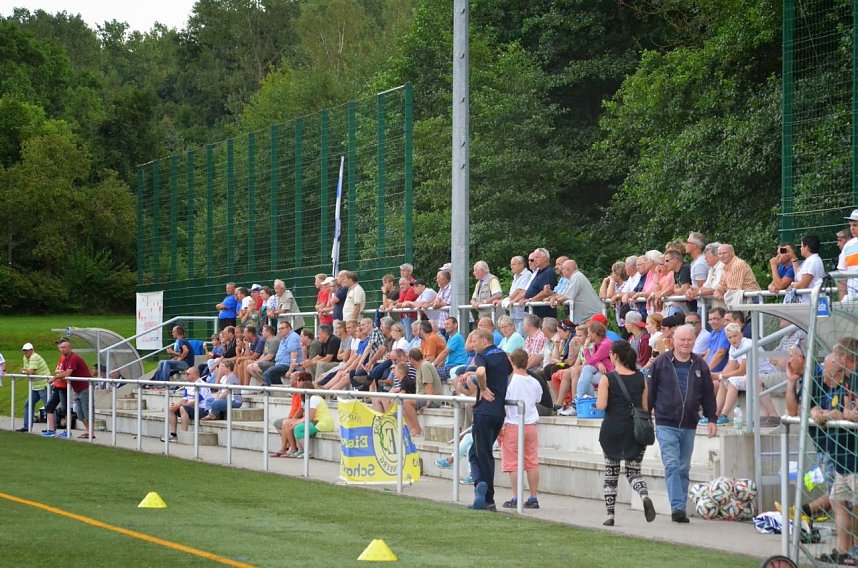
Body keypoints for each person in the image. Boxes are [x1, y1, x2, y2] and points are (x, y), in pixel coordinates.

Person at [649, 325, 717, 523]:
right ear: (674, 341)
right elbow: (651, 391)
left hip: (689, 423)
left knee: (683, 467)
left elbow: (708, 395)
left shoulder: (700, 365)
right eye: (682, 340)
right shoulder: (661, 362)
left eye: (689, 340)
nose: (686, 343)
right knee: (671, 464)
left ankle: (679, 505)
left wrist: (712, 418)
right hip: (665, 422)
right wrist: (645, 415)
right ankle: (677, 507)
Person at [596, 340, 655, 526]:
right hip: (636, 431)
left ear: (614, 355)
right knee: (634, 472)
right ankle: (644, 495)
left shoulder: (608, 378)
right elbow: (645, 406)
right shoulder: (641, 378)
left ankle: (610, 515)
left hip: (612, 428)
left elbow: (602, 406)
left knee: (611, 473)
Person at [467, 329, 513, 511]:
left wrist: (484, 388)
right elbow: (509, 373)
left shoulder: (482, 356)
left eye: (475, 342)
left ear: (485, 341)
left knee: (481, 454)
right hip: (498, 413)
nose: (472, 346)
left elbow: (479, 373)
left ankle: (486, 494)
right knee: (479, 452)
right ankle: (483, 489)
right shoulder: (502, 355)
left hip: (484, 412)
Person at [709, 323, 780, 427]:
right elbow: (732, 368)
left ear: (741, 335)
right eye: (730, 337)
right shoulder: (733, 348)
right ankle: (715, 414)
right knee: (725, 381)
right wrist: (716, 376)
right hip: (753, 375)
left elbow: (741, 371)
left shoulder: (747, 344)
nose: (733, 339)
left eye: (735, 336)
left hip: (767, 373)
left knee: (733, 381)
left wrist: (718, 376)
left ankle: (724, 415)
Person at [500, 348, 543, 510]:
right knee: (531, 462)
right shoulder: (534, 381)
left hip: (513, 423)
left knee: (513, 463)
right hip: (530, 424)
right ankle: (533, 497)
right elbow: (538, 398)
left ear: (512, 362)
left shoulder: (510, 381)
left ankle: (517, 496)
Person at [281, 376, 334, 458]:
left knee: (298, 428)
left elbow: (310, 417)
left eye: (302, 389)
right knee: (294, 425)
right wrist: (295, 421)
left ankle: (306, 451)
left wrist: (296, 422)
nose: (300, 391)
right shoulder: (307, 399)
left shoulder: (313, 398)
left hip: (323, 423)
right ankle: (299, 450)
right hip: (317, 422)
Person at [17, 342, 50, 432]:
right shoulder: (25, 357)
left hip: (43, 385)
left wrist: (25, 371)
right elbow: (28, 371)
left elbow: (30, 372)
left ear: (32, 350)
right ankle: (26, 426)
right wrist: (27, 371)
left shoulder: (34, 357)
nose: (25, 352)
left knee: (49, 406)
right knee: (28, 404)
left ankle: (51, 428)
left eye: (26, 350)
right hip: (35, 385)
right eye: (24, 350)